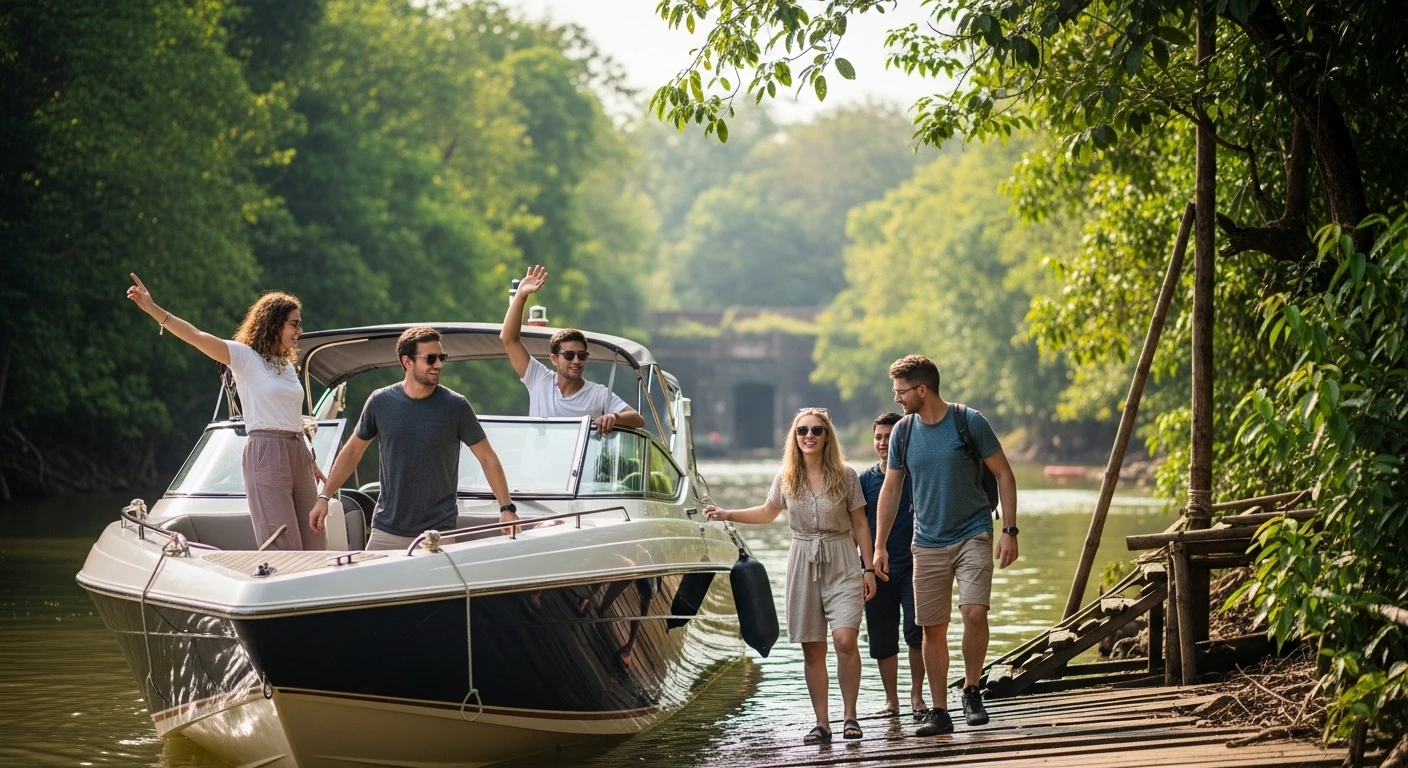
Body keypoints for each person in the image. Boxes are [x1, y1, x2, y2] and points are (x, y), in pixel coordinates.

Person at [705, 408, 879, 744]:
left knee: (845, 639)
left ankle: (851, 716)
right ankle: (822, 723)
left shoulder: (846, 475)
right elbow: (767, 512)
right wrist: (727, 513)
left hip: (842, 558)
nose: (809, 436)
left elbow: (860, 523)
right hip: (802, 561)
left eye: (816, 430)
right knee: (812, 648)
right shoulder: (787, 476)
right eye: (802, 431)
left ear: (827, 435)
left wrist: (868, 568)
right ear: (795, 437)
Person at [872, 355, 1019, 737]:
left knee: (973, 612)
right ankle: (939, 710)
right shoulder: (903, 432)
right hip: (927, 541)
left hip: (973, 532)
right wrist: (880, 546)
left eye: (901, 392)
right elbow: (891, 488)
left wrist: (1010, 530)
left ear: (922, 390)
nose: (897, 398)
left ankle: (971, 689)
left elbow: (1003, 473)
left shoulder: (968, 421)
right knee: (931, 629)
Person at [126, 273, 326, 551]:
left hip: (299, 452)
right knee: (284, 545)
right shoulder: (243, 357)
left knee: (317, 540)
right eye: (294, 324)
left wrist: (310, 458)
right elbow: (195, 336)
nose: (299, 331)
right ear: (273, 324)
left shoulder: (287, 365)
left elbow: (292, 415)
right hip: (266, 451)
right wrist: (151, 308)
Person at [309, 327, 518, 550]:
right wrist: (324, 497)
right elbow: (352, 452)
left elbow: (487, 457)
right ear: (407, 362)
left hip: (437, 533)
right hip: (386, 529)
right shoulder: (380, 402)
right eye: (430, 359)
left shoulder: (456, 406)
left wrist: (506, 508)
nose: (438, 364)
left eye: (441, 357)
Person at [500, 265, 645, 433]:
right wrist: (522, 295)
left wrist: (614, 417)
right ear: (554, 359)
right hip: (537, 460)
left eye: (582, 355)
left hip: (577, 461)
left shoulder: (597, 393)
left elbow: (638, 420)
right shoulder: (539, 379)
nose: (576, 360)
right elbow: (509, 339)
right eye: (569, 355)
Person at [860, 412, 927, 720]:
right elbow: (855, 528)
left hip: (916, 565)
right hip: (877, 569)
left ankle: (917, 695)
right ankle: (892, 701)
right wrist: (863, 569)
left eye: (890, 436)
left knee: (917, 631)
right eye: (879, 437)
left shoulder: (916, 477)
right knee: (882, 636)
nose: (884, 443)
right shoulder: (865, 481)